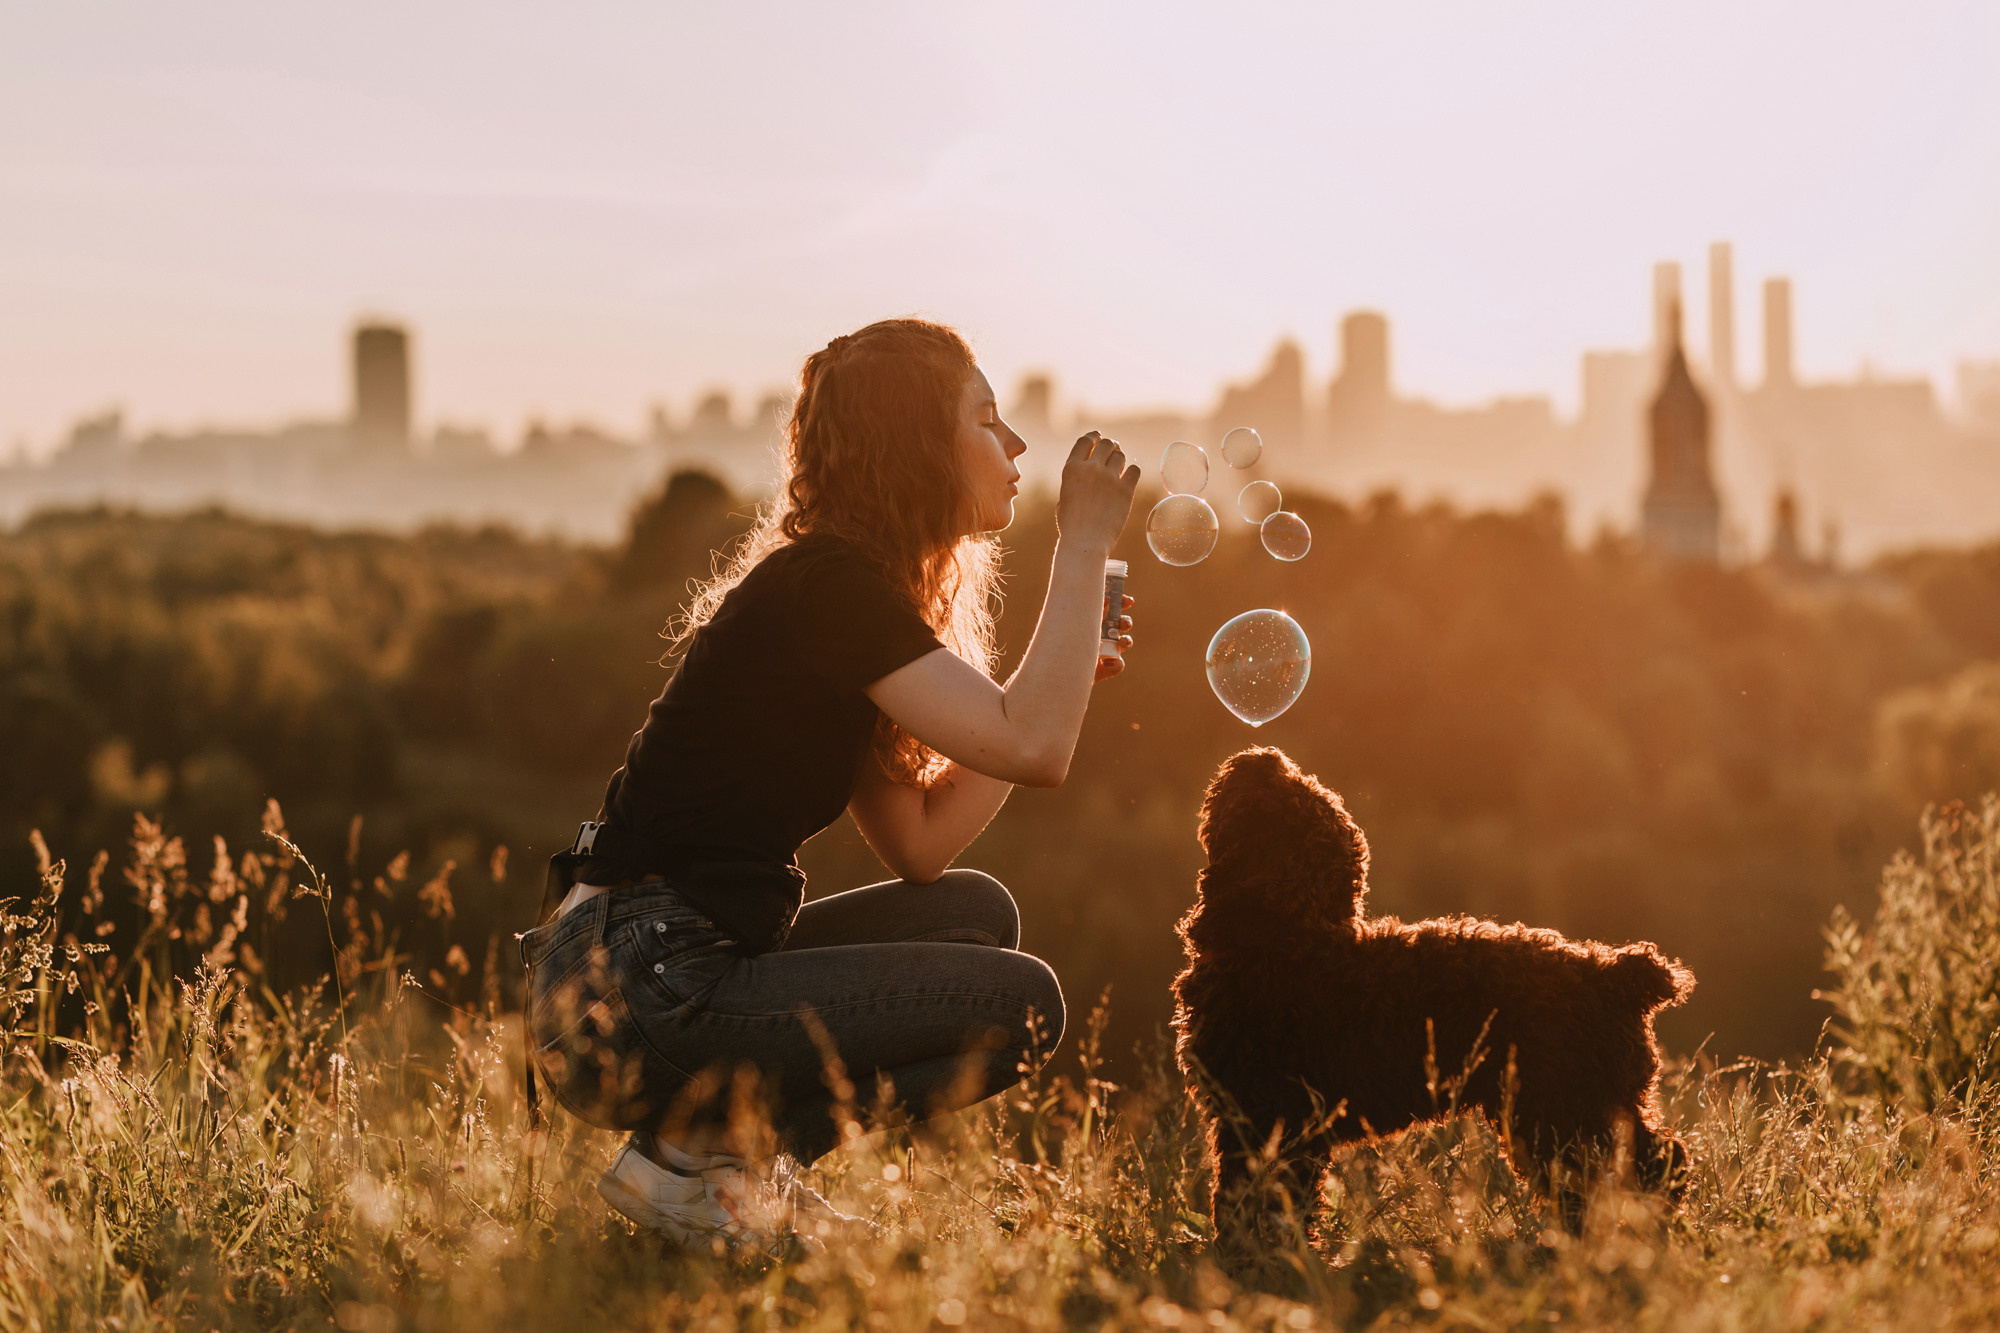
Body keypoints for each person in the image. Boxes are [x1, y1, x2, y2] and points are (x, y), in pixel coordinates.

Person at [518, 318, 1140, 1255]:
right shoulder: (830, 589)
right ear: (917, 447)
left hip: (629, 973)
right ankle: (698, 1165)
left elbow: (922, 843)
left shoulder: (844, 595)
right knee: (1028, 1004)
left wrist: (1063, 677)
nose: (1016, 446)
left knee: (975, 911)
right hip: (633, 986)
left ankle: (715, 1169)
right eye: (987, 420)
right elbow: (1037, 746)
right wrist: (1082, 546)